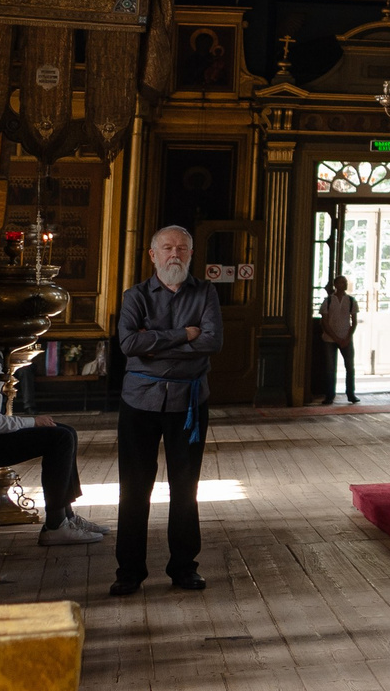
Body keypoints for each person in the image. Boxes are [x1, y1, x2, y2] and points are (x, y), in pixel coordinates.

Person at [112, 224, 224, 595]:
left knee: (185, 488)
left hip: (188, 404)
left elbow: (212, 341)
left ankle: (183, 568)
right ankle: (129, 572)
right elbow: (128, 342)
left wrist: (154, 343)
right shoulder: (135, 296)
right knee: (133, 488)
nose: (174, 254)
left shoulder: (206, 293)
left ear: (191, 255)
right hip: (139, 403)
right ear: (153, 255)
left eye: (181, 248)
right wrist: (183, 335)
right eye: (167, 248)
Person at [0, 336, 104, 545]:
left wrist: (34, 423)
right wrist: (33, 422)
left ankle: (67, 517)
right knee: (60, 439)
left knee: (66, 432)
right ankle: (56, 526)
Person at [317, 276, 359, 405]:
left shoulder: (351, 301)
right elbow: (324, 322)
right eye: (341, 282)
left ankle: (351, 394)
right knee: (330, 368)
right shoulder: (328, 301)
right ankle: (329, 395)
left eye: (345, 282)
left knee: (350, 367)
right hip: (330, 339)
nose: (344, 284)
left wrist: (347, 337)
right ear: (335, 284)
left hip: (345, 338)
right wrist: (336, 338)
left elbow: (354, 322)